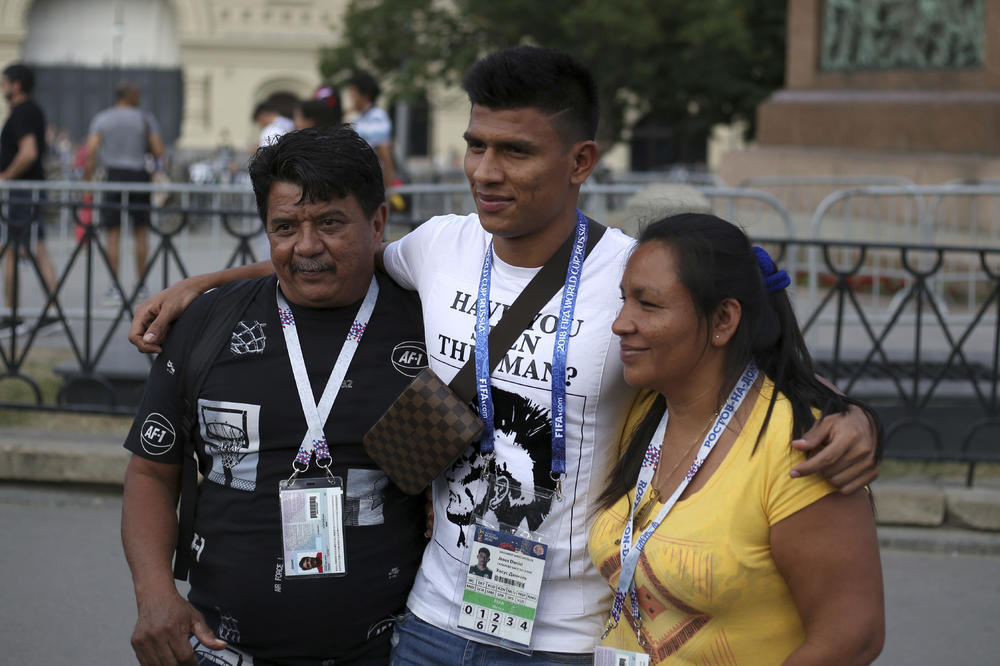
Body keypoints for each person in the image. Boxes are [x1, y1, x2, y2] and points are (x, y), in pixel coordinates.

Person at [129, 47, 880, 664]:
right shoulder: (439, 247)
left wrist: (848, 415)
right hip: (429, 623)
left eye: (516, 151)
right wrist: (203, 284)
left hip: (567, 637)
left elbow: (739, 352)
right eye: (476, 146)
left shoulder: (627, 272)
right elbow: (327, 249)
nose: (487, 171)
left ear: (581, 159)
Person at [120, 126, 428, 665]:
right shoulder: (207, 325)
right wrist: (154, 593)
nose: (306, 246)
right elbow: (151, 472)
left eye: (331, 223)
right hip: (220, 647)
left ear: (377, 223)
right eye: (284, 227)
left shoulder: (426, 329)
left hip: (391, 650)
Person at [589, 213, 885, 664]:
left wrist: (855, 418)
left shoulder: (803, 449)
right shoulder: (641, 408)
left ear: (723, 319)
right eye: (624, 300)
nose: (621, 323)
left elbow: (851, 637)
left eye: (648, 305)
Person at [84, 81, 166, 303]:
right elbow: (158, 150)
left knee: (113, 232)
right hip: (138, 177)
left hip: (113, 176)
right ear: (131, 96)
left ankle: (114, 286)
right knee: (140, 231)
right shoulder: (145, 118)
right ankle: (141, 285)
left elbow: (90, 151)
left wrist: (88, 180)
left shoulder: (103, 118)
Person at [0, 62, 59, 333]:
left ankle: (13, 315)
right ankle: (51, 311)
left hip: (22, 192)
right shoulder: (27, 111)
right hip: (26, 191)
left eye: (4, 82)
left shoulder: (23, 111)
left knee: (14, 249)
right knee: (36, 248)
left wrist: (5, 177)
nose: (2, 87)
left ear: (16, 85)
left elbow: (28, 152)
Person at [346, 71, 403, 209]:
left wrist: (391, 191)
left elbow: (385, 154)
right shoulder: (360, 118)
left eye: (353, 93)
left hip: (374, 184)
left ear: (364, 95)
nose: (351, 97)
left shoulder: (377, 117)